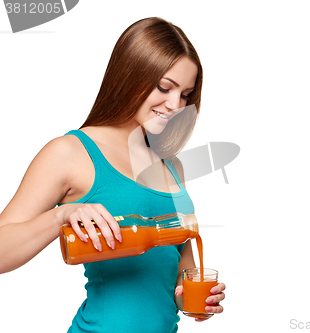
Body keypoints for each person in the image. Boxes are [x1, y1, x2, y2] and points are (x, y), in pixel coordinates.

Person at [0, 17, 225, 332]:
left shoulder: (172, 165)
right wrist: (60, 217)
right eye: (165, 87)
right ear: (131, 74)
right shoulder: (70, 152)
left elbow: (179, 273)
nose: (176, 105)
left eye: (186, 94)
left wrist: (192, 301)